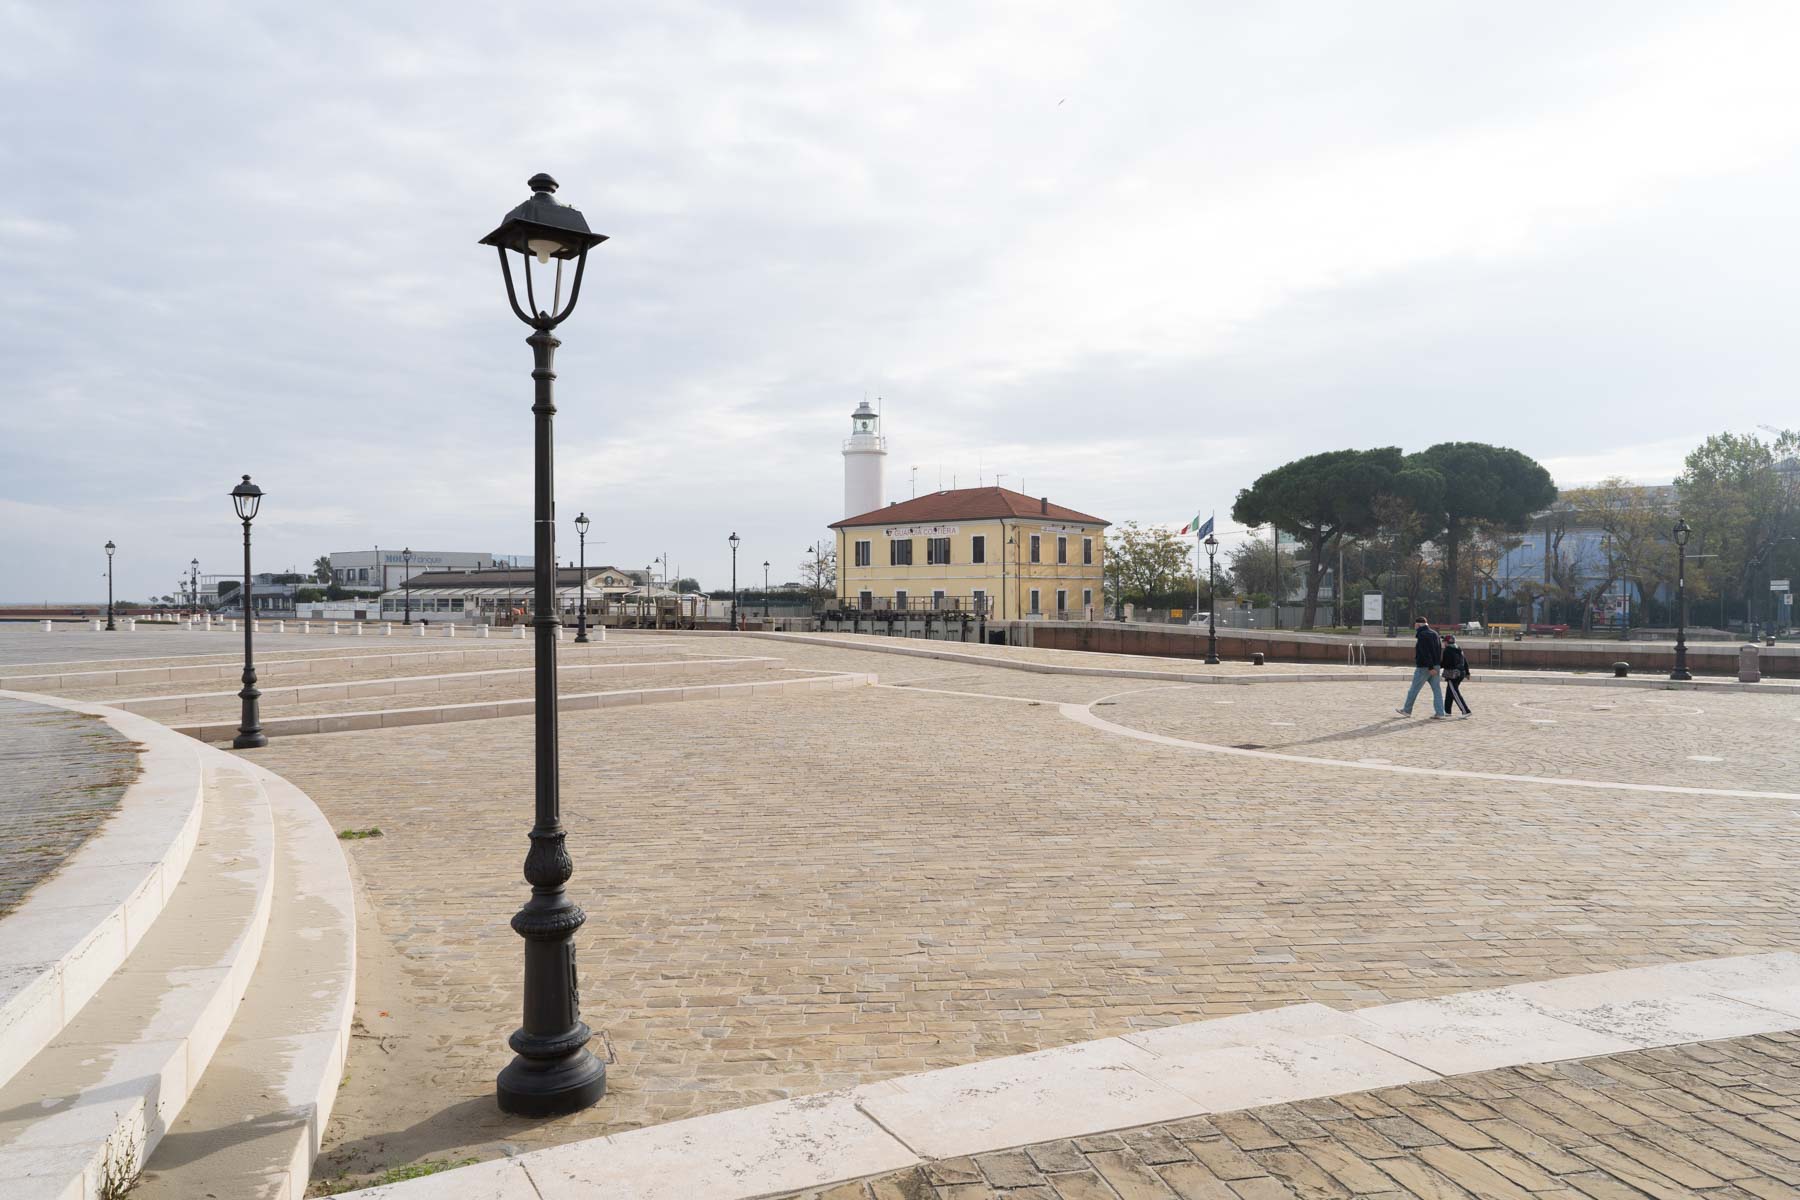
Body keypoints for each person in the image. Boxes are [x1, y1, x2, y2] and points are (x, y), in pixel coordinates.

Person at [1396, 616, 1446, 719]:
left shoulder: (1422, 635)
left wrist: (1430, 667)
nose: (1414, 626)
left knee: (1414, 689)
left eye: (1415, 624)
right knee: (1437, 690)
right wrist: (1436, 665)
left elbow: (1425, 653)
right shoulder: (1435, 634)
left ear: (1418, 625)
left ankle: (1407, 710)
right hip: (1435, 666)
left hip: (1424, 667)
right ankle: (1440, 712)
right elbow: (1439, 650)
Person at [1441, 634, 1472, 717]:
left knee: (1455, 693)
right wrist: (1468, 673)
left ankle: (1465, 710)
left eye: (1444, 641)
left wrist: (1437, 666)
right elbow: (1465, 661)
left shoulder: (1447, 650)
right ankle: (1447, 711)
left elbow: (1445, 663)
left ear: (1447, 642)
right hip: (1461, 673)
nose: (1443, 643)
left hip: (1452, 675)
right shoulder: (1459, 649)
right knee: (1449, 692)